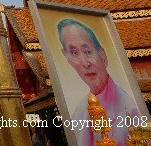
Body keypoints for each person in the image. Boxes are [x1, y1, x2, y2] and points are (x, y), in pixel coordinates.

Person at [57, 18, 140, 146]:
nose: (85, 63)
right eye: (74, 53)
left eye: (88, 52)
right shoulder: (80, 112)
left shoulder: (130, 107)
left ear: (103, 55)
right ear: (67, 57)